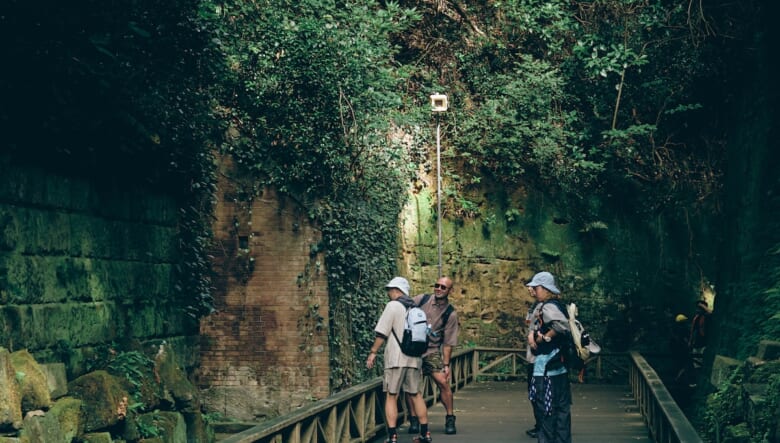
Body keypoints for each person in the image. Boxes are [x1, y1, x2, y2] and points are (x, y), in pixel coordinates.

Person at [367, 277, 432, 443]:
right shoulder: (415, 307)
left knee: (391, 396)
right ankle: (425, 434)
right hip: (414, 358)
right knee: (416, 395)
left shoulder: (393, 306)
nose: (388, 293)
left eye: (389, 290)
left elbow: (382, 332)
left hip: (396, 359)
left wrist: (373, 352)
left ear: (396, 290)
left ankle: (392, 436)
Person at [405, 276, 460, 435]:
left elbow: (449, 342)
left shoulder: (450, 313)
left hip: (431, 350)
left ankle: (450, 417)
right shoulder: (422, 299)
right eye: (437, 285)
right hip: (413, 350)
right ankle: (414, 419)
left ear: (450, 291)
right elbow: (404, 307)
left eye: (443, 287)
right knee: (411, 385)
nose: (439, 289)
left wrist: (446, 365)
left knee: (443, 382)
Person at [526, 271, 572, 443]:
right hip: (559, 366)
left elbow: (562, 326)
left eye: (536, 287)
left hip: (547, 367)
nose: (534, 291)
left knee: (546, 410)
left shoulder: (548, 306)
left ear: (544, 288)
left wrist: (544, 337)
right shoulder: (558, 304)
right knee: (561, 410)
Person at [524, 287, 542, 439]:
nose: (529, 289)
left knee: (538, 393)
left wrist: (534, 335)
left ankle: (543, 426)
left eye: (533, 286)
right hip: (532, 358)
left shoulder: (547, 308)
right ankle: (540, 424)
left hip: (541, 360)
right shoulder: (534, 306)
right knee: (533, 393)